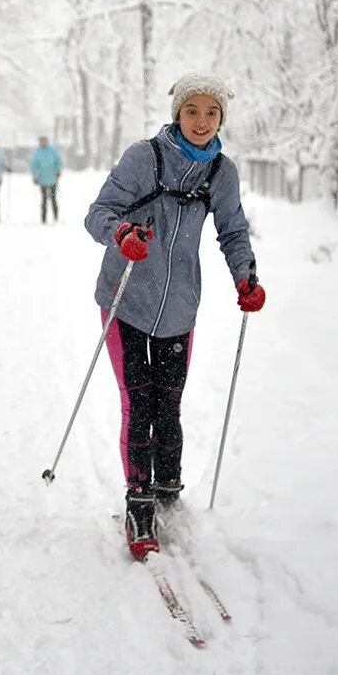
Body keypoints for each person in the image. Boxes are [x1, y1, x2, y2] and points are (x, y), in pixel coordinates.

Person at [83, 72, 266, 560]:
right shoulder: (146, 157)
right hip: (126, 299)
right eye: (192, 111)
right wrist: (122, 232)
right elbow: (97, 212)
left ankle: (168, 486)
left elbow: (232, 231)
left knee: (170, 402)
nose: (201, 121)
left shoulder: (221, 173)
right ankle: (139, 499)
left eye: (211, 112)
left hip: (181, 305)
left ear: (222, 118)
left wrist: (245, 277)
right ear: (177, 114)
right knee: (138, 401)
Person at [29, 136, 64, 224]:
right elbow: (34, 165)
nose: (43, 142)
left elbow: (58, 161)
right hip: (42, 180)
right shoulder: (37, 152)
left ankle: (56, 218)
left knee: (53, 199)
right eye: (41, 141)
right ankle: (43, 219)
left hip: (52, 178)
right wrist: (35, 176)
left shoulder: (53, 150)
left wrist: (58, 171)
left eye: (44, 140)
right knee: (44, 200)